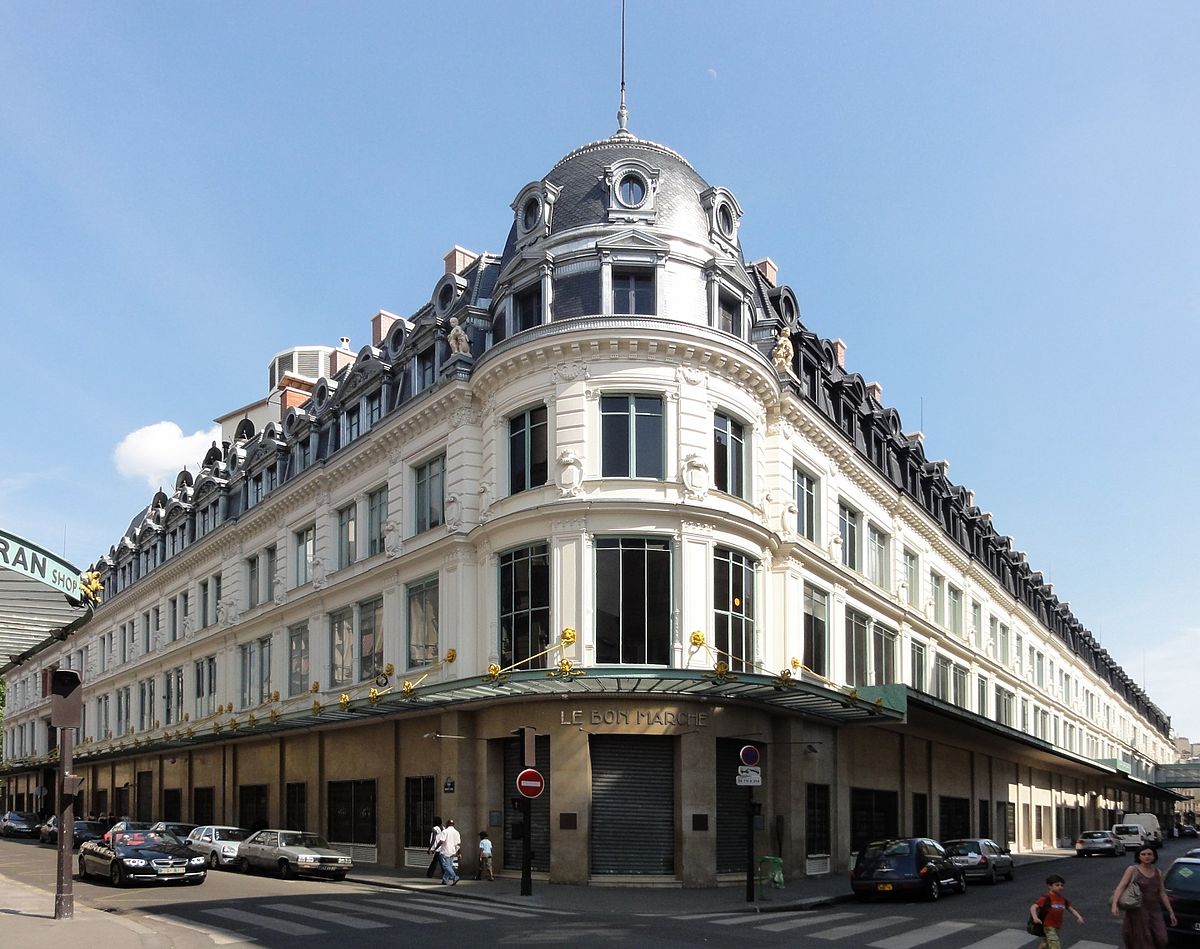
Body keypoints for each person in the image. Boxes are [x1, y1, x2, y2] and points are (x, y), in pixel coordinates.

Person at [1110, 845, 1176, 948]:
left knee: (1162, 938)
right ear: (1139, 856)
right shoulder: (1133, 870)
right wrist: (1115, 904)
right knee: (1143, 941)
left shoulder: (1158, 872)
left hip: (1155, 911)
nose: (1147, 856)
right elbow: (1121, 886)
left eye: (1149, 854)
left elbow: (1162, 893)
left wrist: (1171, 912)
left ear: (1154, 856)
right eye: (1143, 854)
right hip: (1137, 911)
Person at [1030, 873, 1084, 949]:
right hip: (1048, 926)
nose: (1060, 887)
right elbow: (1033, 907)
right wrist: (1035, 918)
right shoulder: (1046, 898)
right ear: (1050, 886)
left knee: (1047, 942)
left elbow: (1071, 909)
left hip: (1057, 926)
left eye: (1062, 885)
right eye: (1057, 885)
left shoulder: (1062, 899)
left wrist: (1079, 917)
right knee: (1055, 945)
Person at [436, 818, 462, 885]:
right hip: (453, 851)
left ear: (447, 824)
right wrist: (459, 853)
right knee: (449, 866)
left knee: (446, 866)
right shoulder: (457, 832)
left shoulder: (445, 831)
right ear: (453, 824)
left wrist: (435, 848)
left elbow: (441, 841)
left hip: (445, 851)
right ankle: (445, 880)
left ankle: (454, 877)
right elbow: (458, 844)